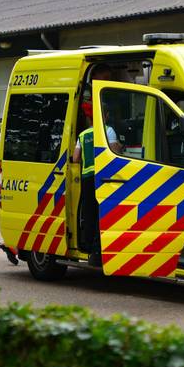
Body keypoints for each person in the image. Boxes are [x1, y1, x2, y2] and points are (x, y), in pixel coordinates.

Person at [72, 65, 121, 267]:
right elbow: (116, 151)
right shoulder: (108, 131)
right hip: (102, 179)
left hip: (86, 179)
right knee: (104, 214)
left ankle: (89, 248)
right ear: (105, 116)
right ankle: (100, 250)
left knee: (89, 214)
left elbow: (75, 159)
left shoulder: (83, 135)